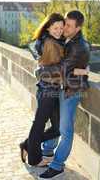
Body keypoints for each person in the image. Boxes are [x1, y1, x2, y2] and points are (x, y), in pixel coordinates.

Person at [39, 10, 90, 179]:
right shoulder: (65, 38)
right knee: (55, 123)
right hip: (61, 87)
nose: (64, 28)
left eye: (68, 25)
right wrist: (79, 70)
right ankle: (47, 153)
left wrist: (40, 69)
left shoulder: (79, 46)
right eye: (64, 23)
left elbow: (59, 70)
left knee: (65, 130)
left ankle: (57, 165)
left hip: (70, 91)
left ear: (78, 28)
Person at [19, 13, 65, 166]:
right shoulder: (50, 44)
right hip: (48, 90)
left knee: (57, 127)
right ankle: (34, 159)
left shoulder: (49, 40)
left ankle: (27, 144)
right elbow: (51, 68)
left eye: (61, 27)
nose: (59, 30)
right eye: (55, 28)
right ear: (48, 28)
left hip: (49, 89)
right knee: (40, 125)